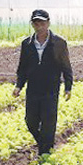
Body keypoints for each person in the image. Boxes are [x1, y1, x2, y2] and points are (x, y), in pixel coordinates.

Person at [13, 9, 73, 157]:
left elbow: (66, 66)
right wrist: (19, 86)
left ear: (48, 23)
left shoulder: (59, 43)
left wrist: (68, 86)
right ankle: (43, 144)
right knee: (30, 121)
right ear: (32, 24)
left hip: (51, 89)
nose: (39, 26)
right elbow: (23, 68)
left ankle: (45, 153)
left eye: (42, 22)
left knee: (48, 122)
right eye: (36, 23)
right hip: (33, 89)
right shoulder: (27, 44)